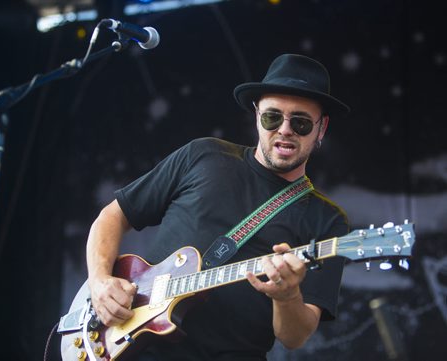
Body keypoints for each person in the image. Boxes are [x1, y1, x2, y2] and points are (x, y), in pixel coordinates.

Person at [86, 53, 350, 360]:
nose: (285, 129)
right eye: (272, 117)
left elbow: (295, 337)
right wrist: (100, 281)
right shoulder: (203, 155)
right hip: (137, 348)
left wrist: (287, 295)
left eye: (301, 122)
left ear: (322, 128)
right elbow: (113, 215)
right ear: (256, 115)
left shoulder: (327, 221)